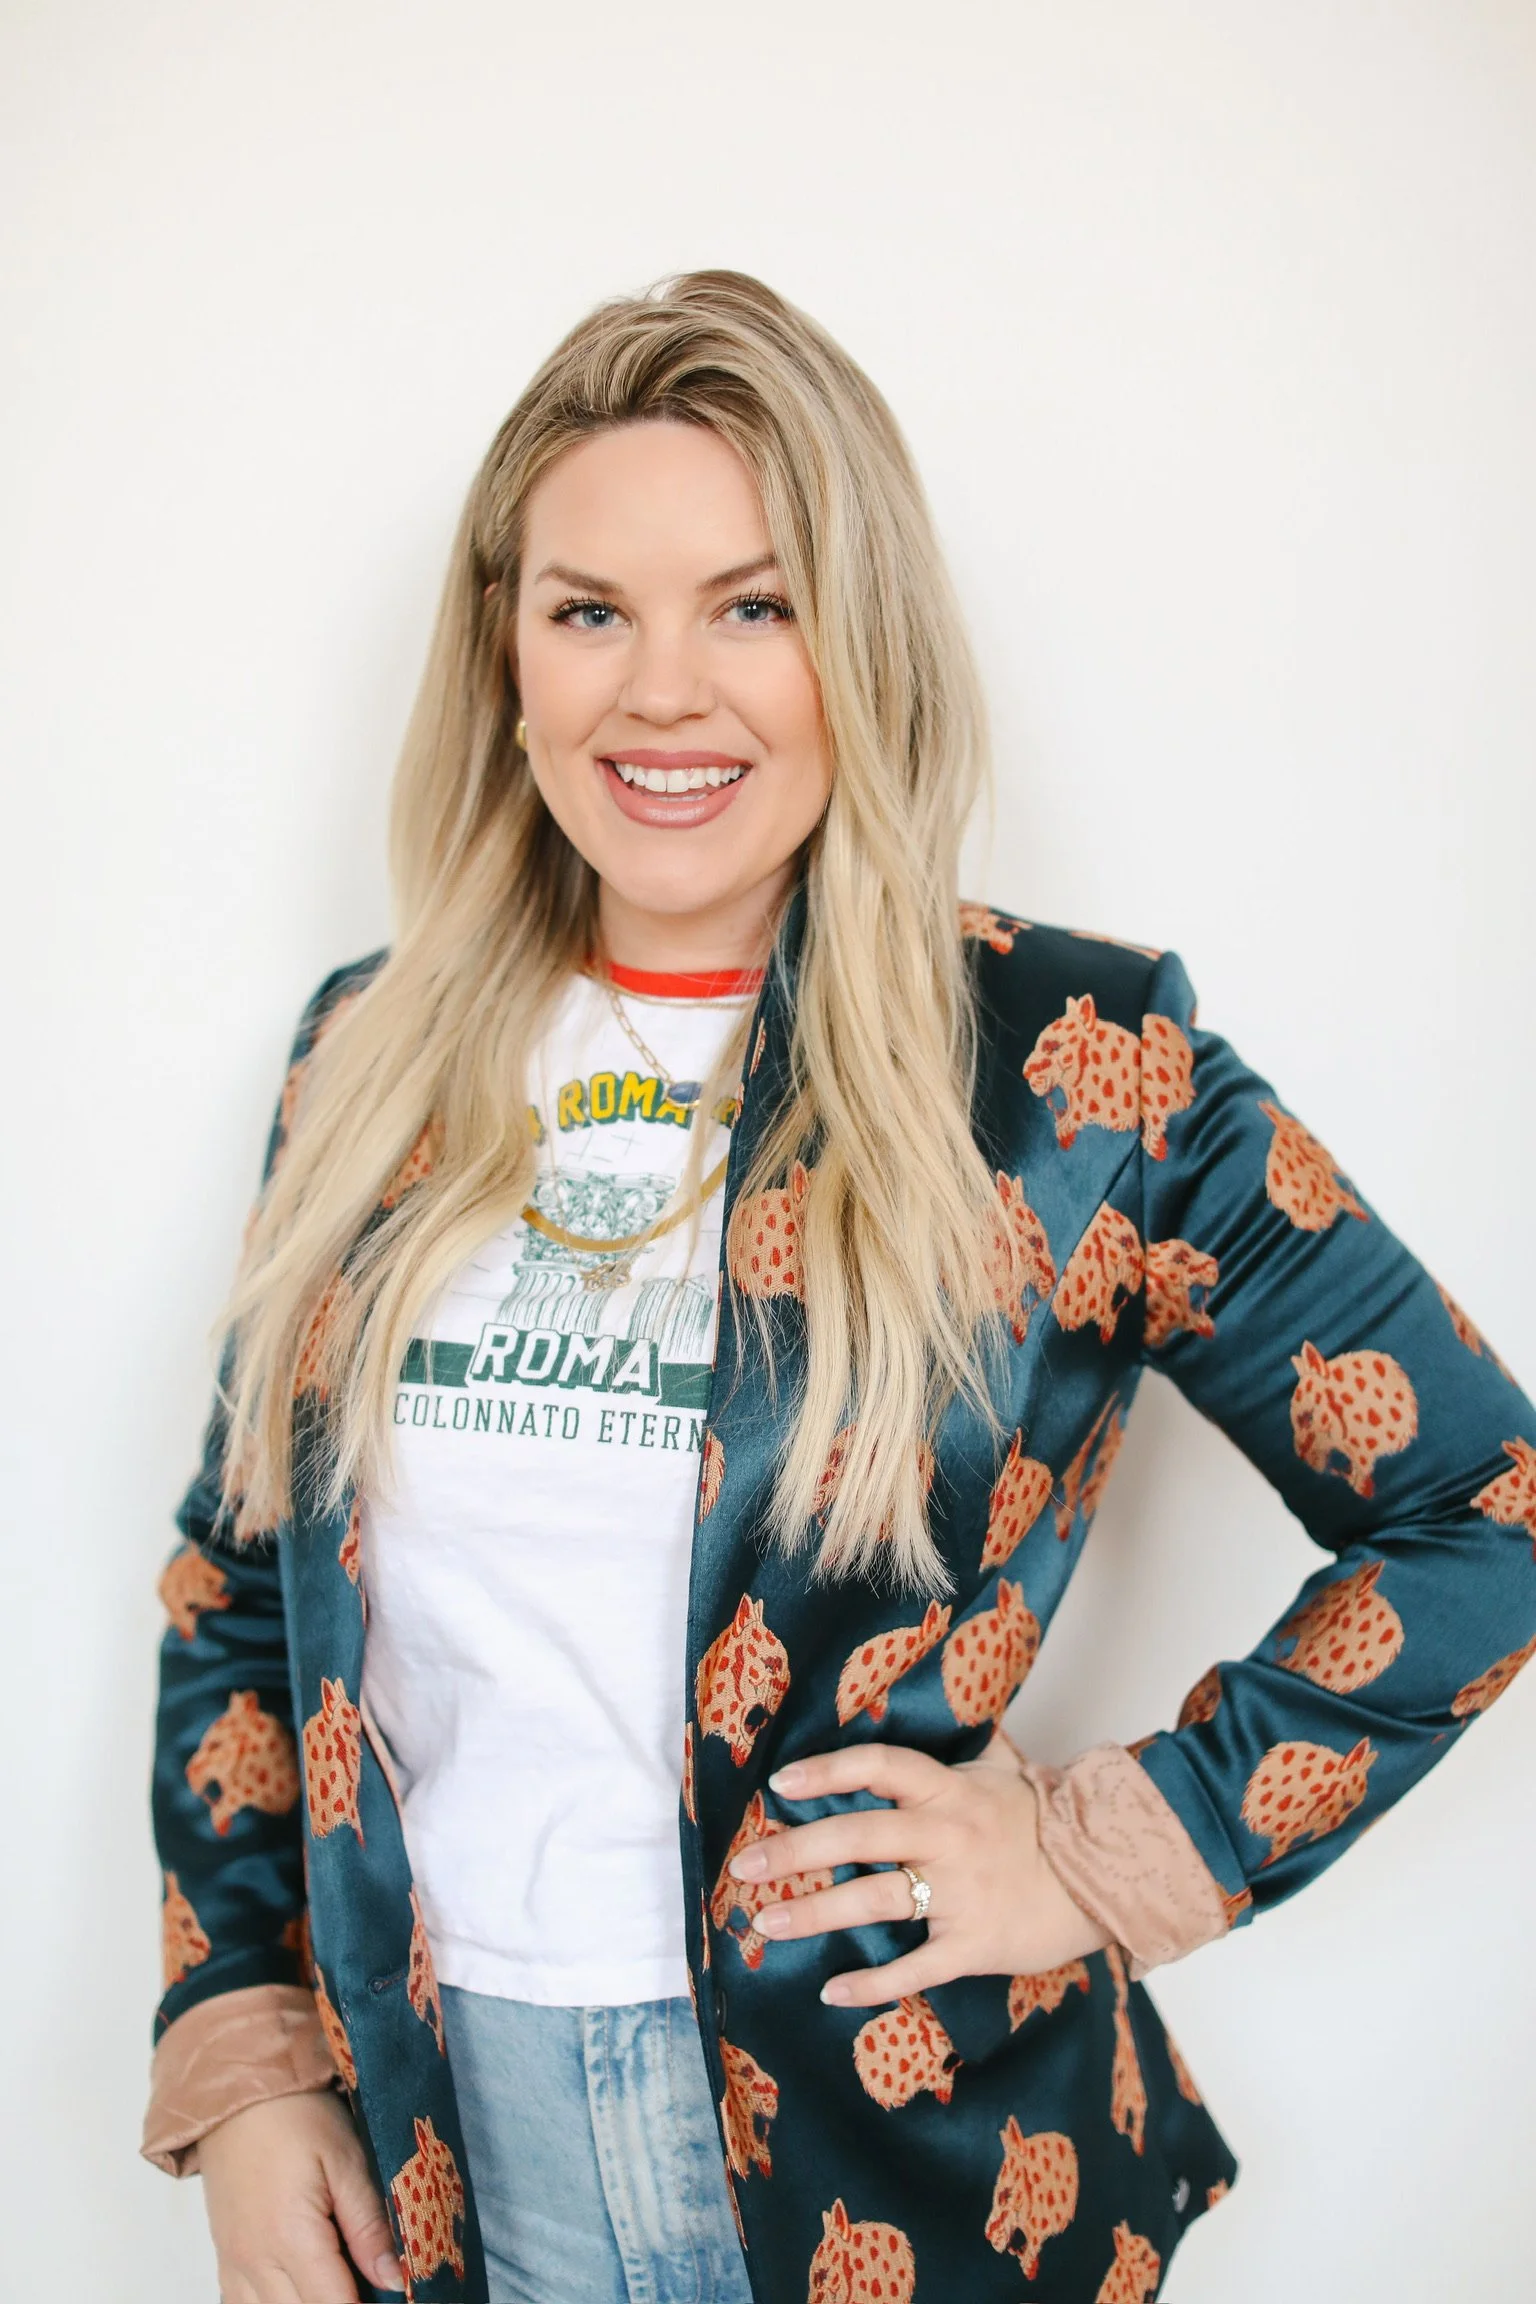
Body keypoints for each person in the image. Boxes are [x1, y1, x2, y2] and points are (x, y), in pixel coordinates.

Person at [142, 269, 1536, 2304]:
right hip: (446, 2146)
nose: (663, 692)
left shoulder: (1081, 1070)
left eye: (754, 604)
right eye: (589, 610)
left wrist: (1108, 1849)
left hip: (908, 2165)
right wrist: (250, 2069)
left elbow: (1484, 1502)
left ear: (857, 643)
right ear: (508, 661)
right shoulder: (370, 1059)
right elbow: (229, 1580)